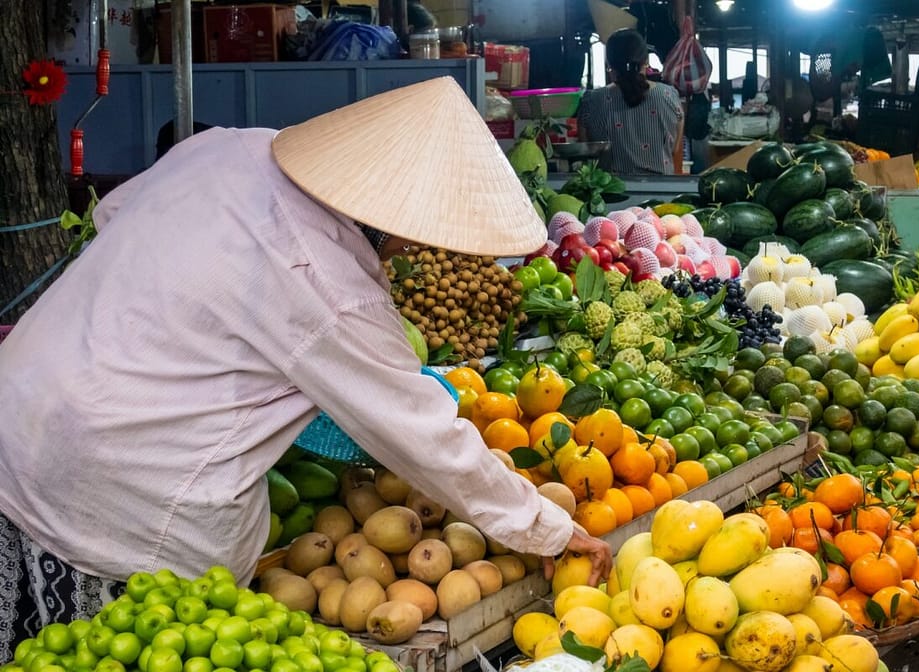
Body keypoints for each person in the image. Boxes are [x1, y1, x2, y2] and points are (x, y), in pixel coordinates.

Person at [0, 77, 612, 658]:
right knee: (107, 652)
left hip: (19, 406)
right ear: (395, 219)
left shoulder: (224, 149)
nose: (412, 252)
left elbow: (114, 221)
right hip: (110, 493)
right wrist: (546, 528)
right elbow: (423, 433)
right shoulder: (328, 281)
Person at [577, 28, 684, 176]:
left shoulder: (591, 100)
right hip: (661, 191)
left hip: (608, 193)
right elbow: (675, 148)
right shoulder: (668, 95)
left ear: (609, 63)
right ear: (646, 61)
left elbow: (586, 152)